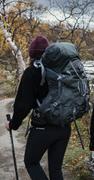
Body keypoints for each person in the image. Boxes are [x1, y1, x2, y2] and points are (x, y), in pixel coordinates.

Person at [5, 35, 71, 180]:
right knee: (56, 169)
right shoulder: (62, 68)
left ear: (31, 53)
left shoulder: (31, 72)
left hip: (42, 128)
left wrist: (13, 124)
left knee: (31, 162)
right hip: (64, 126)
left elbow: (23, 105)